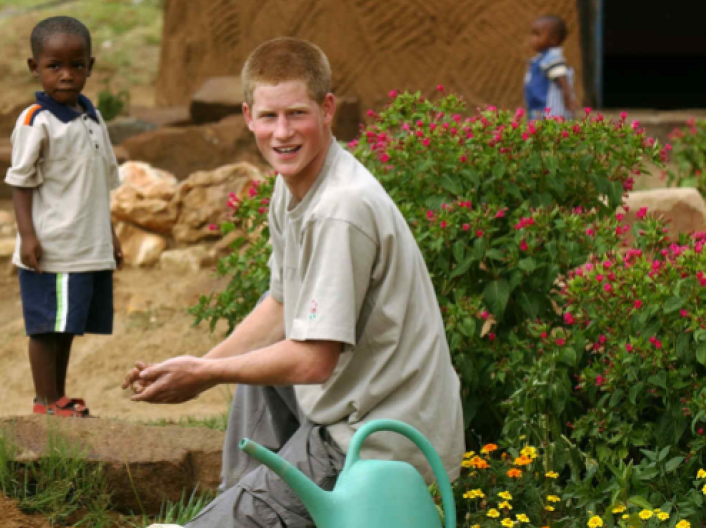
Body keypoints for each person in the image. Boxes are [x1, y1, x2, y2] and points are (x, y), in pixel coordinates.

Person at [125, 37, 465, 527]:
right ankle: (241, 498)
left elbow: (312, 360)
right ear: (248, 115)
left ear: (327, 109)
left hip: (379, 446)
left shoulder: (341, 210)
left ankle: (242, 513)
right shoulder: (295, 186)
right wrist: (202, 366)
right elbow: (282, 305)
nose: (281, 133)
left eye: (296, 114)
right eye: (268, 117)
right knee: (249, 361)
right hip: (349, 408)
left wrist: (206, 375)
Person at [6, 16, 123, 418]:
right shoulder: (36, 121)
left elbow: (98, 186)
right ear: (34, 67)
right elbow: (20, 183)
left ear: (91, 66)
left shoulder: (94, 118)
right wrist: (28, 237)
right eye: (55, 66)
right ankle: (44, 402)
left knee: (68, 324)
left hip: (87, 245)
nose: (67, 75)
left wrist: (110, 236)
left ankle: (58, 397)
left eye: (77, 65)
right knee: (45, 326)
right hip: (52, 246)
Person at [525, 14, 578, 120]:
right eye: (532, 34)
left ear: (553, 39)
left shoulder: (552, 58)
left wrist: (568, 101)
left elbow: (562, 78)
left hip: (549, 112)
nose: (532, 39)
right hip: (538, 109)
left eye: (537, 34)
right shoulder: (541, 58)